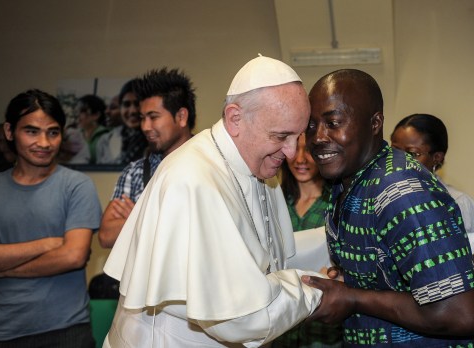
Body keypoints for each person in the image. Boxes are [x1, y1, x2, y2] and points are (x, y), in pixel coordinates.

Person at [102, 55, 324, 347]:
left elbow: (271, 255)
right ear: (235, 119)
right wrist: (318, 291)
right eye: (280, 136)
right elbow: (239, 317)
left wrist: (334, 246)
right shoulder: (193, 179)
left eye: (297, 136)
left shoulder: (258, 168)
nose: (293, 153)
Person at [303, 69, 474, 346]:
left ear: (375, 123)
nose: (317, 137)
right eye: (311, 125)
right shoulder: (348, 180)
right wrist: (353, 280)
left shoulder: (401, 189)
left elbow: (460, 313)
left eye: (333, 122)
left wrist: (353, 297)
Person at [0, 89, 102, 347]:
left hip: (66, 329)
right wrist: (48, 244)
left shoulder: (77, 186)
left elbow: (73, 256)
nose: (44, 143)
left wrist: (5, 270)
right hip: (4, 331)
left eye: (53, 132)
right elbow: (62, 251)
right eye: (31, 131)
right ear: (10, 132)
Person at [98, 67, 196, 249]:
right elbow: (106, 236)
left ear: (181, 117)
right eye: (142, 118)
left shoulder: (211, 166)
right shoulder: (135, 172)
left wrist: (137, 215)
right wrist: (160, 219)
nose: (145, 126)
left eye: (153, 117)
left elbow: (203, 231)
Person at [391, 113, 474, 277]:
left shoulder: (459, 203)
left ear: (436, 157)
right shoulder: (381, 197)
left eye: (412, 154)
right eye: (395, 151)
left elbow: (472, 275)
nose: (400, 160)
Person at [273, 133, 342, 347]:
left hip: (324, 329)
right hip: (282, 325)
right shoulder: (275, 202)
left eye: (309, 150)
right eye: (295, 149)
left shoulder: (337, 204)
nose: (300, 159)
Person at [96, 79, 147, 165]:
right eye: (126, 104)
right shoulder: (106, 140)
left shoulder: (158, 140)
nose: (132, 111)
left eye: (137, 104)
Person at [74, 94, 109, 164]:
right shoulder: (75, 135)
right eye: (77, 111)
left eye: (82, 111)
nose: (77, 115)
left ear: (96, 115)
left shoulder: (108, 136)